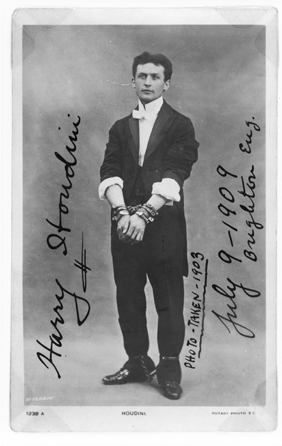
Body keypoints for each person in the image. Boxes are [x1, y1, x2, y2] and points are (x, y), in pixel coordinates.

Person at [99, 51, 199, 400]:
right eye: (141, 76)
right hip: (125, 226)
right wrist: (124, 213)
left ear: (166, 83)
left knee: (168, 301)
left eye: (155, 77)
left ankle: (169, 368)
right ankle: (138, 361)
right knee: (128, 298)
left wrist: (143, 215)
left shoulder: (180, 124)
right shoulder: (119, 127)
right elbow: (109, 170)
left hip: (163, 230)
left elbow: (176, 172)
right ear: (133, 80)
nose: (147, 82)